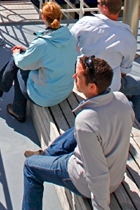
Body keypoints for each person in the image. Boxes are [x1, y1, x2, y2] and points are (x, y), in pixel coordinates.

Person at [21, 56, 133, 210]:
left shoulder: (87, 121)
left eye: (78, 76)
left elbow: (97, 175)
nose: (74, 77)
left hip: (84, 181)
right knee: (78, 129)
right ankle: (48, 154)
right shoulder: (121, 100)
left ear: (92, 87)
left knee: (30, 166)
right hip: (116, 173)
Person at [70, 0, 140, 122]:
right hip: (110, 87)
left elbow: (69, 45)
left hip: (82, 83)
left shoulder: (85, 23)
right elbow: (124, 71)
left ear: (104, 7)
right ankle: (133, 120)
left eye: (98, 3)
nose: (97, 6)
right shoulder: (128, 37)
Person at [0, 1, 77, 123]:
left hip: (46, 96)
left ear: (43, 17)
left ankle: (17, 110)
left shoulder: (41, 43)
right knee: (20, 59)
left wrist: (17, 53)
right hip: (64, 89)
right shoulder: (69, 37)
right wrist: (27, 50)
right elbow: (53, 56)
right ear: (60, 17)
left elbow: (22, 64)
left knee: (18, 67)